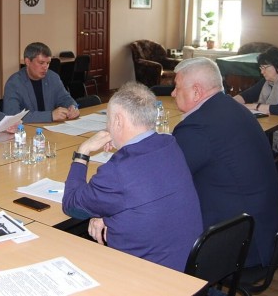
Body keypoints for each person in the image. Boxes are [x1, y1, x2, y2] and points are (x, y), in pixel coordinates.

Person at [62, 82, 202, 272]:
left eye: (108, 120)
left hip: (148, 276)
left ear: (118, 120)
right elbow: (143, 196)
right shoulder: (169, 144)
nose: (107, 126)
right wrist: (106, 216)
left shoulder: (118, 170)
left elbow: (71, 205)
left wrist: (83, 152)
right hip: (186, 267)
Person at [171, 57, 278, 268]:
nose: (173, 93)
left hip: (240, 242)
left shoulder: (198, 127)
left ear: (196, 91)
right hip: (267, 228)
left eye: (177, 87)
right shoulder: (234, 109)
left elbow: (167, 176)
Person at [233, 46, 278, 158]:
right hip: (271, 130)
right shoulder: (266, 83)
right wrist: (229, 102)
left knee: (248, 147)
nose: (262, 72)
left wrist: (254, 106)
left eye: (265, 68)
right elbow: (246, 95)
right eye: (260, 68)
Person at [3, 42, 80, 123]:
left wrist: (73, 107)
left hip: (51, 127)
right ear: (27, 62)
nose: (45, 67)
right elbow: (12, 116)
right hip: (27, 129)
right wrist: (50, 116)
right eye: (41, 63)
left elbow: (65, 98)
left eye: (48, 63)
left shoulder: (53, 77)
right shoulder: (14, 83)